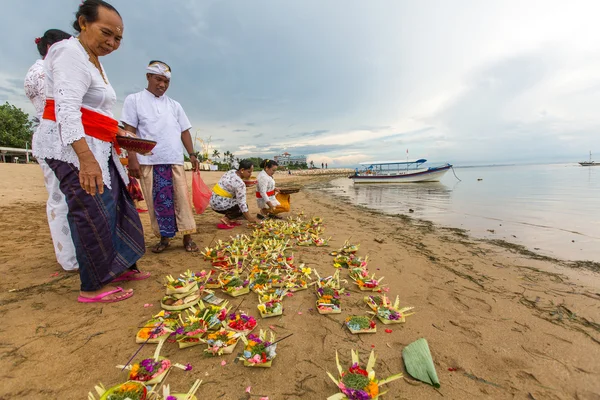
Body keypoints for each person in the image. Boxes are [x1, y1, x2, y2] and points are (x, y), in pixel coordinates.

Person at [33, 0, 149, 303]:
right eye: (106, 33)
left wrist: (119, 133)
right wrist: (85, 159)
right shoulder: (70, 53)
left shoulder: (92, 58)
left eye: (118, 39)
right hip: (71, 147)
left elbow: (94, 109)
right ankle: (93, 286)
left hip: (99, 144)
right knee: (92, 210)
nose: (111, 43)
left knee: (118, 204)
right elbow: (67, 111)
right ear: (84, 23)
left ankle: (119, 265)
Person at [121, 60, 199, 254]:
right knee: (157, 202)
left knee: (181, 200)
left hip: (173, 160)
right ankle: (164, 238)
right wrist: (132, 158)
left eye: (166, 81)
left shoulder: (175, 105)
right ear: (148, 77)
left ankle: (187, 237)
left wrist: (192, 154)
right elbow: (129, 130)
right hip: (149, 160)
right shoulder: (134, 100)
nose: (162, 85)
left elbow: (185, 131)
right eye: (158, 79)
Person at [24, 29, 77, 272]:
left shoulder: (42, 70)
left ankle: (72, 253)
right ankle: (69, 258)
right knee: (61, 200)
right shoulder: (44, 72)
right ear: (51, 48)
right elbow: (62, 110)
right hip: (56, 139)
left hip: (60, 138)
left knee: (66, 199)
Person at [210, 160, 257, 227]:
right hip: (219, 204)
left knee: (237, 201)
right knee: (242, 207)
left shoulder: (231, 171)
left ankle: (232, 219)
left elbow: (231, 184)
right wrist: (250, 219)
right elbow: (242, 204)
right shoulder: (240, 184)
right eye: (249, 172)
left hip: (213, 200)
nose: (250, 174)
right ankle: (226, 218)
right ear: (242, 170)